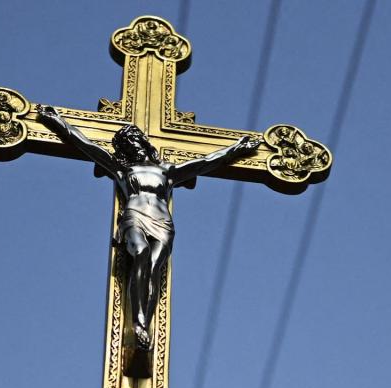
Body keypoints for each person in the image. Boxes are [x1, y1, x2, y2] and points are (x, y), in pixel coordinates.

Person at [36, 107, 258, 372]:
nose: (134, 147)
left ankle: (144, 323)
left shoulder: (168, 171)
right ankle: (138, 323)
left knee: (153, 270)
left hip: (162, 223)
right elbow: (85, 144)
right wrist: (57, 121)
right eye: (128, 144)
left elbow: (207, 161)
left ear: (143, 142)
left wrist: (237, 149)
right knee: (139, 252)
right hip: (133, 216)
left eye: (136, 141)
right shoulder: (120, 168)